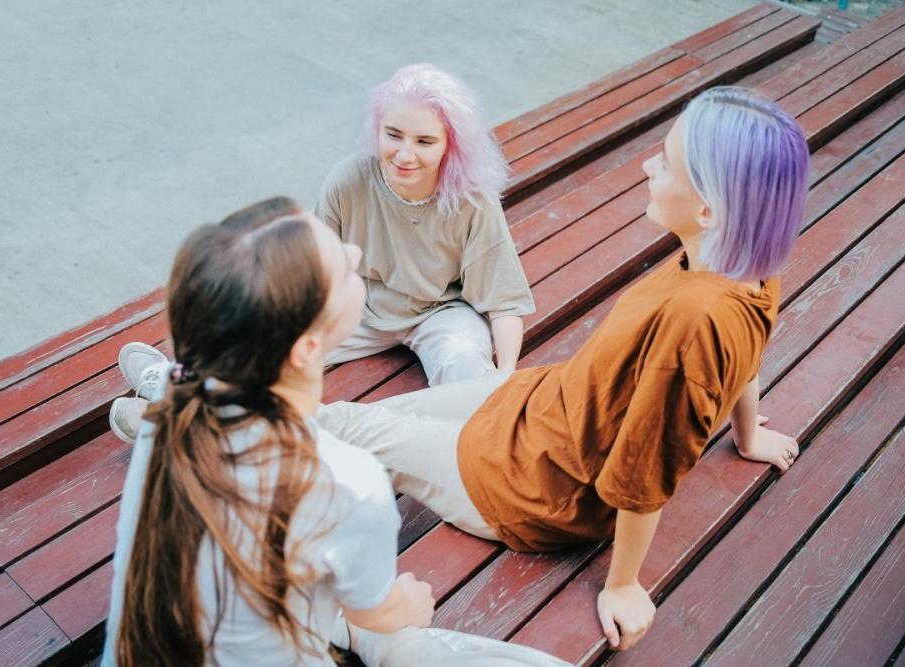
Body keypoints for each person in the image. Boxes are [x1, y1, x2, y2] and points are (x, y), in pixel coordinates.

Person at [316, 86, 809, 653]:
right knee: (348, 422)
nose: (648, 165)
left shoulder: (695, 320)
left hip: (527, 486)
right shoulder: (750, 268)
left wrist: (622, 585)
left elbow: (645, 470)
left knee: (345, 431)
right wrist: (748, 436)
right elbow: (750, 357)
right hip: (538, 405)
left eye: (667, 162)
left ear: (707, 208)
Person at [100, 201, 567, 666]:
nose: (356, 256)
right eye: (342, 268)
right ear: (306, 348)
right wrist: (407, 603)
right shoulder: (349, 480)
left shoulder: (175, 412)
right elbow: (379, 613)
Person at [108, 63, 534, 444]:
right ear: (376, 130)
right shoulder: (350, 179)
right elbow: (311, 266)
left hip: (442, 310)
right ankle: (174, 390)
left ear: (450, 146)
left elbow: (504, 301)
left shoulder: (472, 201)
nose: (405, 154)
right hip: (362, 303)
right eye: (393, 135)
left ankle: (484, 438)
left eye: (425, 141)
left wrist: (504, 377)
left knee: (466, 369)